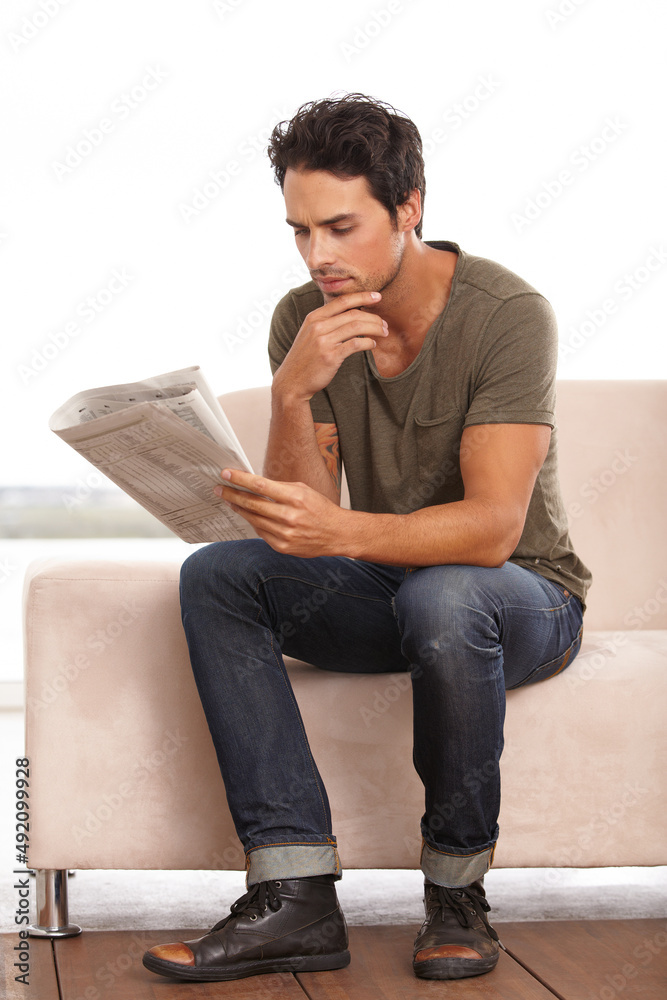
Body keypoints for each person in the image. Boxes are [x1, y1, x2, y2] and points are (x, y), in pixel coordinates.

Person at [143, 93, 591, 984]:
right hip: (394, 587)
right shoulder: (301, 319)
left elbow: (495, 529)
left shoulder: (506, 314)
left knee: (448, 590)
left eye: (340, 227)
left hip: (522, 596)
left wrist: (339, 528)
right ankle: (295, 895)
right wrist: (292, 394)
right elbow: (300, 529)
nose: (319, 256)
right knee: (218, 577)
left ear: (409, 206)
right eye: (300, 232)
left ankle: (456, 894)